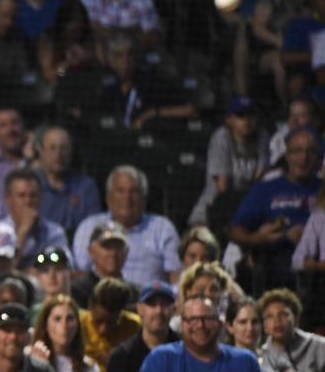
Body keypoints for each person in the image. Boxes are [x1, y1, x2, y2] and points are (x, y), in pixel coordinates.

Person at [230, 126, 321, 289]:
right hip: (276, 264)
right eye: (297, 151)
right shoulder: (266, 189)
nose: (304, 158)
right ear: (287, 156)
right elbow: (235, 231)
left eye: (311, 152)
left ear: (319, 159)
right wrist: (260, 239)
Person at [73, 165, 183, 286]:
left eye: (134, 192)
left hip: (149, 300)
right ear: (108, 198)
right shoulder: (89, 227)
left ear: (144, 198)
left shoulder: (162, 228)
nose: (127, 198)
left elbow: (176, 277)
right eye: (120, 191)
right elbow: (78, 274)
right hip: (99, 298)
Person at [135, 296, 266, 372]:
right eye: (193, 319)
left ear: (220, 324)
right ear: (182, 325)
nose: (201, 325)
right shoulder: (160, 359)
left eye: (208, 319)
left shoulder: (246, 361)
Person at [190, 97, 270, 227]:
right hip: (214, 208)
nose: (246, 121)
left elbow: (260, 179)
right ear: (229, 119)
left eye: (251, 115)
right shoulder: (221, 138)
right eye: (240, 116)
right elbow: (223, 188)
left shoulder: (262, 136)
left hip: (247, 207)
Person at [0, 168, 69, 270]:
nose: (28, 202)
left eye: (33, 196)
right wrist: (23, 231)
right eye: (21, 196)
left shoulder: (54, 232)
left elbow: (62, 270)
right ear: (8, 199)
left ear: (40, 198)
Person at [105, 281, 180, 372]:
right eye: (152, 304)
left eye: (164, 304)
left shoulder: (188, 351)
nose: (159, 311)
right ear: (139, 309)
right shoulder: (122, 356)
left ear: (174, 309)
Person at [34, 126, 102, 236]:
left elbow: (94, 229)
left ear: (71, 151)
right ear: (41, 151)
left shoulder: (86, 187)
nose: (59, 155)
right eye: (52, 148)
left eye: (64, 148)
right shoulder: (30, 186)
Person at [258, 288, 325, 372]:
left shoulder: (318, 345)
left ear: (296, 317)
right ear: (264, 325)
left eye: (283, 314)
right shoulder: (261, 355)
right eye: (269, 316)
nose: (277, 321)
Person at [226, 297, 297, 372]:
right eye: (243, 322)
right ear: (230, 326)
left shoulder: (275, 357)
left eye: (255, 322)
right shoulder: (221, 359)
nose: (250, 328)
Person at [30, 295, 101, 372]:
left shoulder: (89, 368)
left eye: (70, 318)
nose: (64, 325)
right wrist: (38, 366)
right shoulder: (29, 358)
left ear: (78, 325)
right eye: (57, 319)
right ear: (45, 324)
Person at [80, 277, 143, 372]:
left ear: (121, 313)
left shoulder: (135, 327)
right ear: (90, 306)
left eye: (111, 322)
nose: (103, 329)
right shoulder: (76, 324)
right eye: (98, 321)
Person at [70, 221, 137, 309]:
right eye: (107, 247)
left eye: (118, 246)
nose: (113, 253)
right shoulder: (78, 289)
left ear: (127, 252)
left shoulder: (135, 293)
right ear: (91, 251)